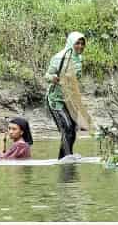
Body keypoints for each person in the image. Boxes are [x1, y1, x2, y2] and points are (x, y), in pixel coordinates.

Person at [46, 31, 86, 159]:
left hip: (69, 99)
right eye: (77, 43)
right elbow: (47, 75)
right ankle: (64, 158)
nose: (80, 46)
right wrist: (53, 78)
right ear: (70, 43)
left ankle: (66, 157)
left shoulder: (79, 59)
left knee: (73, 129)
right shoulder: (59, 57)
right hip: (55, 99)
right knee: (67, 127)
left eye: (82, 44)